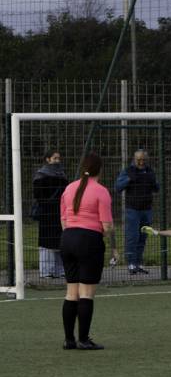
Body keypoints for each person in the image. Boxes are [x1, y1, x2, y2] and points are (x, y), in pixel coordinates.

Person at [60, 152, 118, 350]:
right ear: (100, 169)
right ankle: (83, 340)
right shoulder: (101, 191)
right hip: (89, 241)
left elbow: (64, 220)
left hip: (67, 239)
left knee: (71, 292)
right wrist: (111, 244)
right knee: (86, 292)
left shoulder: (68, 188)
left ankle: (69, 340)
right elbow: (107, 226)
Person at [115, 149, 159, 275]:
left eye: (143, 160)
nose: (141, 162)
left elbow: (157, 188)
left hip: (147, 209)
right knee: (132, 237)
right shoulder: (128, 171)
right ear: (134, 159)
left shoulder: (150, 171)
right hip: (132, 210)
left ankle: (138, 263)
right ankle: (131, 263)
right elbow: (118, 187)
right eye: (138, 160)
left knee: (143, 237)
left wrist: (154, 182)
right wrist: (129, 179)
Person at [32, 149, 69, 278]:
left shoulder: (62, 175)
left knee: (61, 241)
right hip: (47, 213)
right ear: (47, 159)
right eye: (54, 158)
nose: (57, 161)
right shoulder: (40, 175)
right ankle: (46, 271)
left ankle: (60, 270)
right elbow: (38, 196)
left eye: (58, 158)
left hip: (61, 212)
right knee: (46, 242)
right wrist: (49, 203)